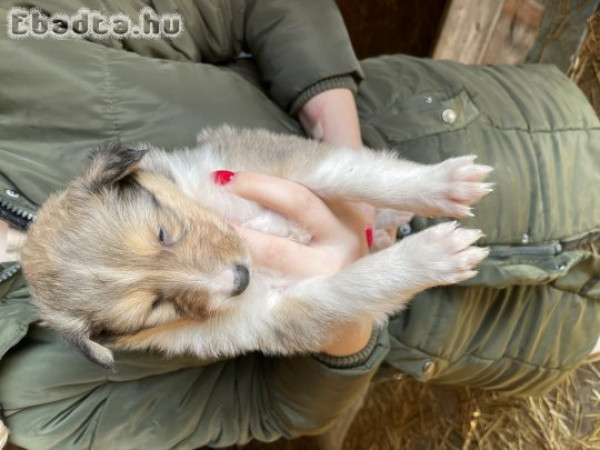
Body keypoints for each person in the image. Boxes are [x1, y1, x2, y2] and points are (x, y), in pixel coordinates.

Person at [1, 1, 599, 449]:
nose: (221, 277)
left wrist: (354, 166)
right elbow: (276, 408)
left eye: (163, 236)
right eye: (156, 302)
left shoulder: (16, 40)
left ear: (124, 168)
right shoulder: (44, 410)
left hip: (516, 144)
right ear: (108, 342)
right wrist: (350, 312)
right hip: (505, 331)